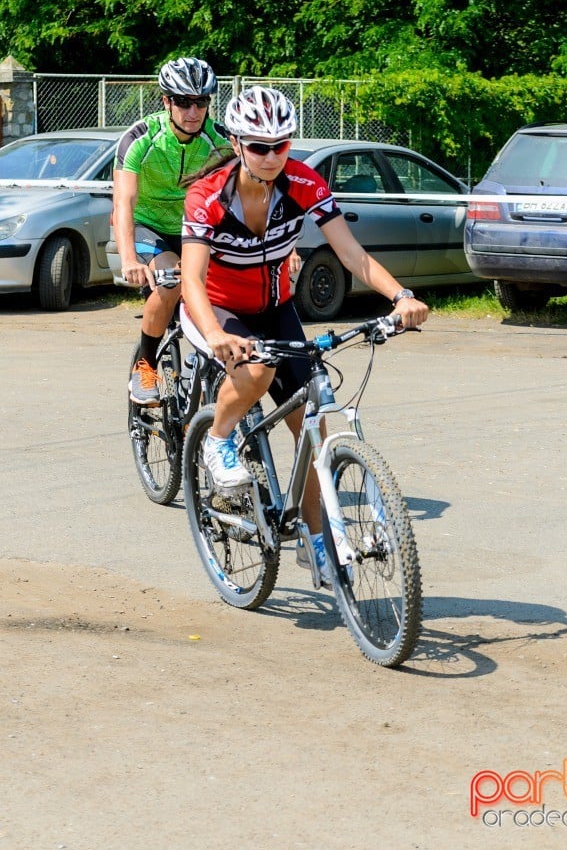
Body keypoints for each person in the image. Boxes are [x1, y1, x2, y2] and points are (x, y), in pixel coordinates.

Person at [179, 86, 428, 586]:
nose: (272, 156)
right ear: (236, 142)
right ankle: (219, 439)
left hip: (276, 309)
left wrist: (400, 296)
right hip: (217, 309)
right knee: (257, 367)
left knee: (318, 426)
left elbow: (352, 255)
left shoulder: (304, 183)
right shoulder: (207, 197)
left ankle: (315, 538)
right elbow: (191, 280)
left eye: (281, 145)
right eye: (258, 146)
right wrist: (215, 334)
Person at [112, 56, 232, 405]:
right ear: (166, 102)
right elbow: (124, 203)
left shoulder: (221, 141)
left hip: (194, 228)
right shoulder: (140, 138)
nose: (192, 111)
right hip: (150, 226)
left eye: (201, 102)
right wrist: (130, 258)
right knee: (173, 279)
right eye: (182, 102)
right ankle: (144, 366)